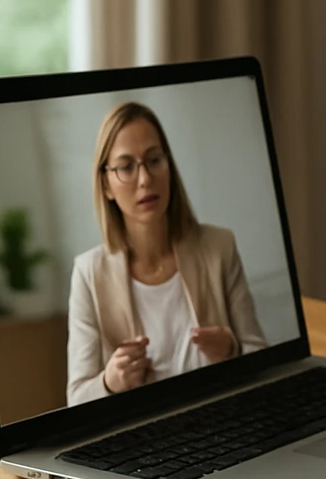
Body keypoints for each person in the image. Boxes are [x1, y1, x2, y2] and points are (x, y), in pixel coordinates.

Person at [67, 102, 266, 404]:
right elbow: (77, 398)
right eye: (126, 167)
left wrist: (231, 351)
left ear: (169, 165)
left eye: (154, 159)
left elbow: (265, 360)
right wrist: (111, 382)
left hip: (225, 420)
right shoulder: (88, 273)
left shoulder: (219, 247)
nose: (145, 179)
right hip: (145, 439)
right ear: (105, 184)